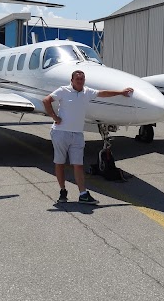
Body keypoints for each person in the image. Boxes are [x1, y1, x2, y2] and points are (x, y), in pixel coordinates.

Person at [43, 70, 133, 205]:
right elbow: (46, 100)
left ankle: (83, 194)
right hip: (60, 133)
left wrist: (120, 92)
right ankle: (62, 190)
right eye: (77, 79)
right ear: (72, 80)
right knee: (59, 163)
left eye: (82, 79)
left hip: (77, 134)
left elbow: (103, 93)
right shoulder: (63, 90)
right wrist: (55, 117)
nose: (80, 81)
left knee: (78, 165)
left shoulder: (87, 92)